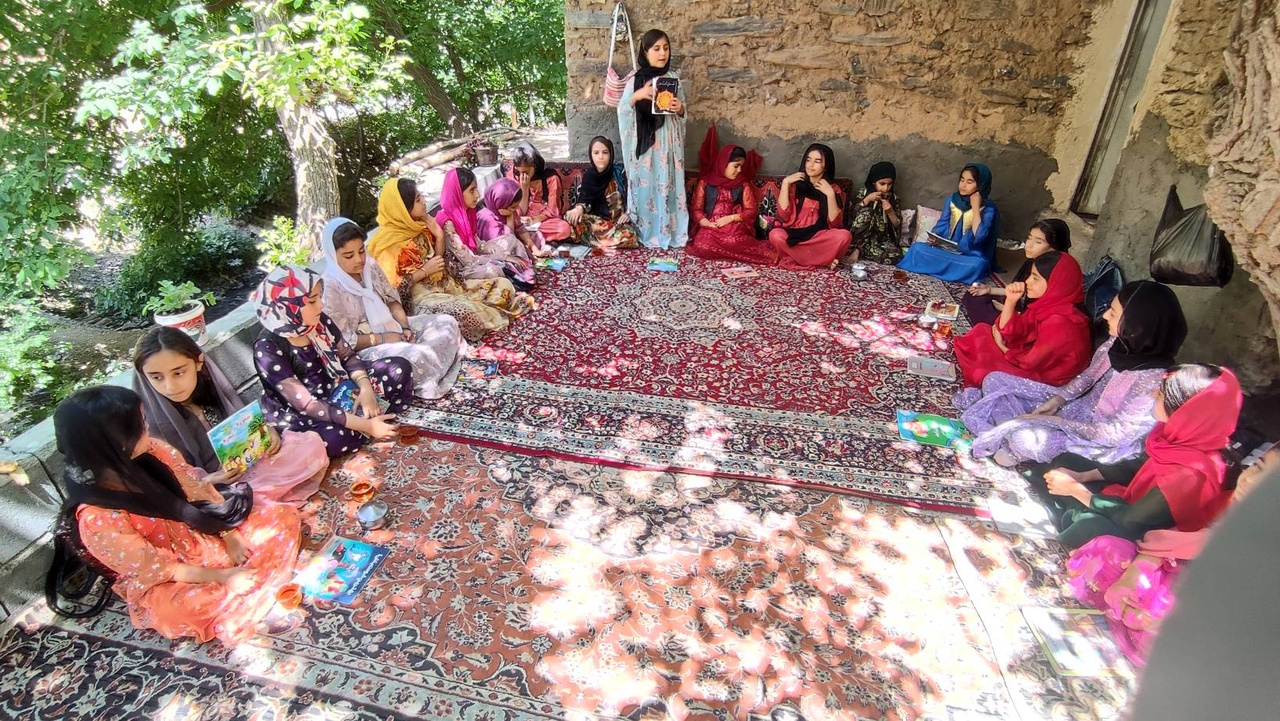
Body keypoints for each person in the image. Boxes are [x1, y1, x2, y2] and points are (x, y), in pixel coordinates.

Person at [55, 385, 302, 646]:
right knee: (176, 610)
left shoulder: (155, 452)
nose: (147, 428)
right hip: (173, 576)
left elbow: (199, 492)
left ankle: (246, 587)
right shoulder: (97, 518)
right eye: (140, 425)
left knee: (281, 518)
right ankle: (247, 586)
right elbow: (158, 569)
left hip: (206, 537)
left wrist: (229, 536)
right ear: (116, 445)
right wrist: (224, 577)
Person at [1066, 442, 1277, 666]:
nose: (1252, 480)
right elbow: (1174, 542)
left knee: (1156, 627)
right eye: (1258, 466)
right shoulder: (1228, 504)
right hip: (1171, 578)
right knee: (1107, 548)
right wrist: (1135, 574)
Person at [956, 280, 1188, 465]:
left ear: (1138, 326)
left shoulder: (1153, 378)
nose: (1105, 315)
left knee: (1026, 440)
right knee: (994, 380)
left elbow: (1117, 434)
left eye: (1114, 314)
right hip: (1072, 404)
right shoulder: (1116, 344)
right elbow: (1087, 377)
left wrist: (1056, 421)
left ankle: (1013, 433)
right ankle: (1012, 427)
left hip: (1092, 433)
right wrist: (1057, 400)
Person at [1024, 364, 1242, 549]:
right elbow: (1137, 466)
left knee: (1089, 525)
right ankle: (1066, 513)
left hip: (1139, 533)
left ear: (1185, 412)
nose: (1152, 396)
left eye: (1161, 395)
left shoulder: (1191, 475)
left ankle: (1060, 536)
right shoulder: (1185, 438)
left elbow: (1131, 522)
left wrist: (1075, 489)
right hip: (1129, 500)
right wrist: (1083, 477)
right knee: (1067, 462)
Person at [132, 327, 327, 505]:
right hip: (212, 489)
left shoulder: (209, 388)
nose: (170, 386)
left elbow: (241, 426)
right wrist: (209, 481)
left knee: (310, 444)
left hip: (244, 467)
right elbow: (170, 487)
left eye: (179, 373)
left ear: (199, 363)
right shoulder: (148, 424)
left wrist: (265, 433)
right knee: (247, 499)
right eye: (157, 377)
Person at [253, 265, 415, 457]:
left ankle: (368, 417)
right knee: (337, 438)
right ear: (288, 307)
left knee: (399, 368)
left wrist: (366, 389)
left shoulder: (319, 321)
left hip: (340, 385)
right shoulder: (267, 348)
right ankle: (367, 423)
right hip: (308, 409)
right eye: (312, 301)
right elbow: (307, 405)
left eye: (319, 298)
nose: (320, 305)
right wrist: (367, 426)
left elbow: (347, 356)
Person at [367, 177, 532, 340]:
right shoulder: (387, 245)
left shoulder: (421, 227)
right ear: (403, 208)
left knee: (503, 285)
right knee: (463, 313)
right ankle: (482, 313)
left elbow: (439, 263)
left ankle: (485, 309)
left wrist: (438, 236)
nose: (424, 202)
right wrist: (424, 271)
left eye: (421, 197)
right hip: (422, 298)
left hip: (447, 286)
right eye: (418, 200)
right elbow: (391, 290)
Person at [320, 217, 466, 400]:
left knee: (447, 322)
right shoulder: (330, 288)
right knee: (415, 357)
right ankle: (429, 367)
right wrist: (386, 338)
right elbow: (345, 342)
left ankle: (431, 366)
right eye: (349, 256)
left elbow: (392, 301)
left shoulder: (370, 266)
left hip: (392, 326)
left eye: (361, 251)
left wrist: (405, 327)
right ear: (333, 256)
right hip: (366, 347)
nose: (359, 260)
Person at [952, 251, 1091, 388]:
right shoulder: (1049, 305)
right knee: (982, 329)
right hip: (1029, 357)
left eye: (1035, 278)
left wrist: (1002, 347)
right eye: (1030, 275)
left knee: (984, 374)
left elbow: (1031, 363)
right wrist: (1010, 301)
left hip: (1046, 379)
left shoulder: (1060, 321)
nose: (1027, 282)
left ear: (1057, 283)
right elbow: (1015, 331)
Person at [617, 29, 689, 249]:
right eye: (656, 48)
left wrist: (680, 108)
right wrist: (637, 96)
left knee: (669, 185)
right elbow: (622, 112)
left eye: (666, 48)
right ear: (645, 52)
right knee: (647, 188)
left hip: (670, 146)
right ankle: (647, 232)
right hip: (646, 148)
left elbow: (684, 111)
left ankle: (672, 232)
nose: (662, 53)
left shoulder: (673, 79)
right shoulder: (635, 81)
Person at [897, 163, 999, 284]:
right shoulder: (951, 200)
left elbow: (979, 237)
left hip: (967, 255)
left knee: (978, 265)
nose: (963, 185)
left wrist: (976, 207)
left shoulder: (988, 209)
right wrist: (934, 238)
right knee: (917, 249)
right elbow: (942, 225)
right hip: (944, 250)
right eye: (962, 180)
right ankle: (951, 271)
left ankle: (936, 268)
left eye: (970, 182)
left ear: (981, 185)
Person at [435, 167, 535, 290]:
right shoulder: (448, 222)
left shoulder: (467, 212)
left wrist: (498, 251)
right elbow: (468, 261)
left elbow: (478, 244)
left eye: (476, 188)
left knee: (510, 240)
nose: (477, 194)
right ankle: (514, 276)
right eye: (472, 191)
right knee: (494, 270)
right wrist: (503, 256)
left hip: (476, 256)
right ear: (457, 193)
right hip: (461, 269)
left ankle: (525, 272)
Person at [685, 126, 772, 264]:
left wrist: (730, 218)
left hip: (733, 224)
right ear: (723, 164)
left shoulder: (742, 183)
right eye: (736, 166)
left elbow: (751, 210)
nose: (739, 170)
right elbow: (696, 210)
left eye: (741, 166)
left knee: (733, 241)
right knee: (702, 244)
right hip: (711, 225)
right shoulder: (706, 182)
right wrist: (706, 223)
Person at [962, 218, 1072, 326]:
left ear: (1054, 247)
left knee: (987, 315)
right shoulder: (1032, 262)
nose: (1029, 246)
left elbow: (1038, 318)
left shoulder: (1055, 274)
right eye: (1029, 238)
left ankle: (995, 330)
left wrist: (1006, 308)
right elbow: (1021, 290)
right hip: (1017, 307)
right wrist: (989, 290)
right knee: (973, 295)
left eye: (1038, 242)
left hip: (1027, 323)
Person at [767, 143, 853, 270]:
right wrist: (785, 184)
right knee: (775, 234)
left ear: (826, 166)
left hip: (818, 236)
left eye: (817, 161)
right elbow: (783, 216)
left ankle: (796, 259)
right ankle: (822, 261)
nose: (810, 165)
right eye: (808, 159)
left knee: (845, 236)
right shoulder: (795, 184)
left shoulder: (833, 189)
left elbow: (836, 224)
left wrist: (830, 194)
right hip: (794, 235)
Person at [563, 136, 641, 250]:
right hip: (596, 222)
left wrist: (628, 213)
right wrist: (578, 208)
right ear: (591, 155)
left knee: (630, 236)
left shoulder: (619, 173)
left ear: (611, 154)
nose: (600, 157)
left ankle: (593, 241)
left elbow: (631, 197)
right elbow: (585, 201)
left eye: (605, 152)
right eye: (596, 153)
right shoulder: (590, 176)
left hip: (617, 223)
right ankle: (601, 241)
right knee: (568, 219)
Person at [508, 141, 571, 243]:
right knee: (508, 225)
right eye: (519, 172)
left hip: (543, 221)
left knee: (564, 228)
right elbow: (516, 211)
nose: (522, 176)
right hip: (520, 221)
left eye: (526, 172)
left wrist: (534, 220)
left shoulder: (550, 178)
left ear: (535, 166)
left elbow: (553, 211)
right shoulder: (514, 176)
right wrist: (524, 190)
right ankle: (531, 239)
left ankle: (526, 239)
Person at [477, 178, 544, 262]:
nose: (516, 209)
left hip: (514, 242)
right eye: (513, 207)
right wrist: (510, 218)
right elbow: (507, 244)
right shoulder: (488, 220)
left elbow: (520, 228)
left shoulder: (508, 209)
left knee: (537, 235)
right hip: (499, 255)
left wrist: (534, 249)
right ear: (500, 203)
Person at [849, 161, 902, 265]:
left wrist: (890, 211)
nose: (886, 188)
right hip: (861, 238)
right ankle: (857, 248)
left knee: (896, 256)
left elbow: (897, 225)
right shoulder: (864, 193)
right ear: (874, 182)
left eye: (889, 184)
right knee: (867, 213)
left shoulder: (893, 199)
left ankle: (862, 251)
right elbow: (852, 215)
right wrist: (867, 200)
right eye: (882, 184)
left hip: (880, 240)